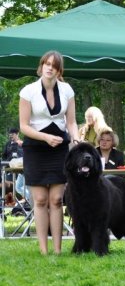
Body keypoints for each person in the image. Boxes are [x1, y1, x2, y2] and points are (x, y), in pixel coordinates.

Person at [19, 51, 80, 255]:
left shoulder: (67, 90)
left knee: (56, 199)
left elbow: (71, 122)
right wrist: (45, 137)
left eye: (54, 65)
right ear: (41, 66)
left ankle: (57, 250)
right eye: (46, 63)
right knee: (40, 200)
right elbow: (24, 126)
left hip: (59, 148)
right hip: (35, 148)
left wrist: (76, 138)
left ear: (59, 70)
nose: (49, 67)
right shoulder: (28, 91)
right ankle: (43, 250)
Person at [2, 128, 23, 197]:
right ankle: (9, 203)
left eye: (12, 134)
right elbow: (4, 155)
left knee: (19, 187)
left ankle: (23, 201)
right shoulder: (7, 144)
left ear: (17, 134)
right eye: (10, 135)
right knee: (9, 187)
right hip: (9, 169)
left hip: (20, 169)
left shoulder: (22, 143)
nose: (11, 136)